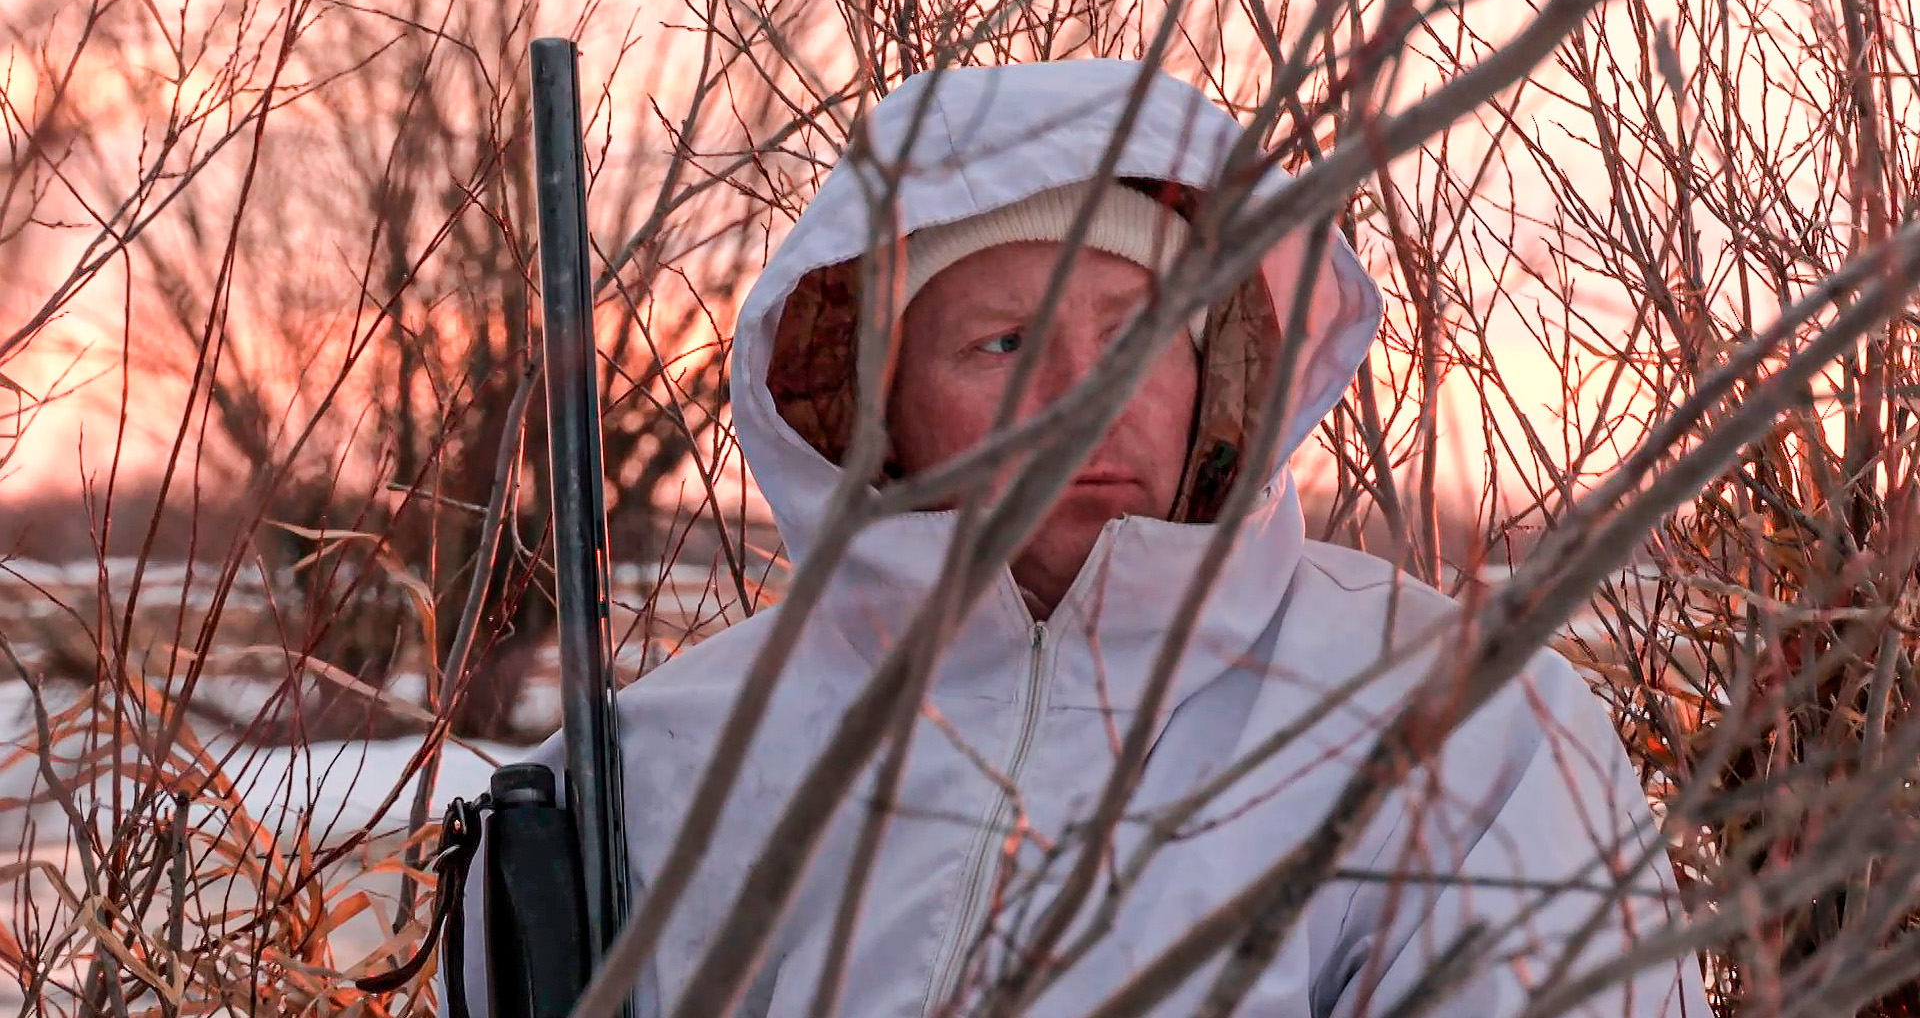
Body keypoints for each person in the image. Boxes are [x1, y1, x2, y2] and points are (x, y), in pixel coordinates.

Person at [451, 59, 1710, 1016]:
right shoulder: (656, 768)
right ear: (877, 402)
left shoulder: (1462, 729)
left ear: (1219, 367)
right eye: (1001, 343)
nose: (1078, 398)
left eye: (1133, 332)